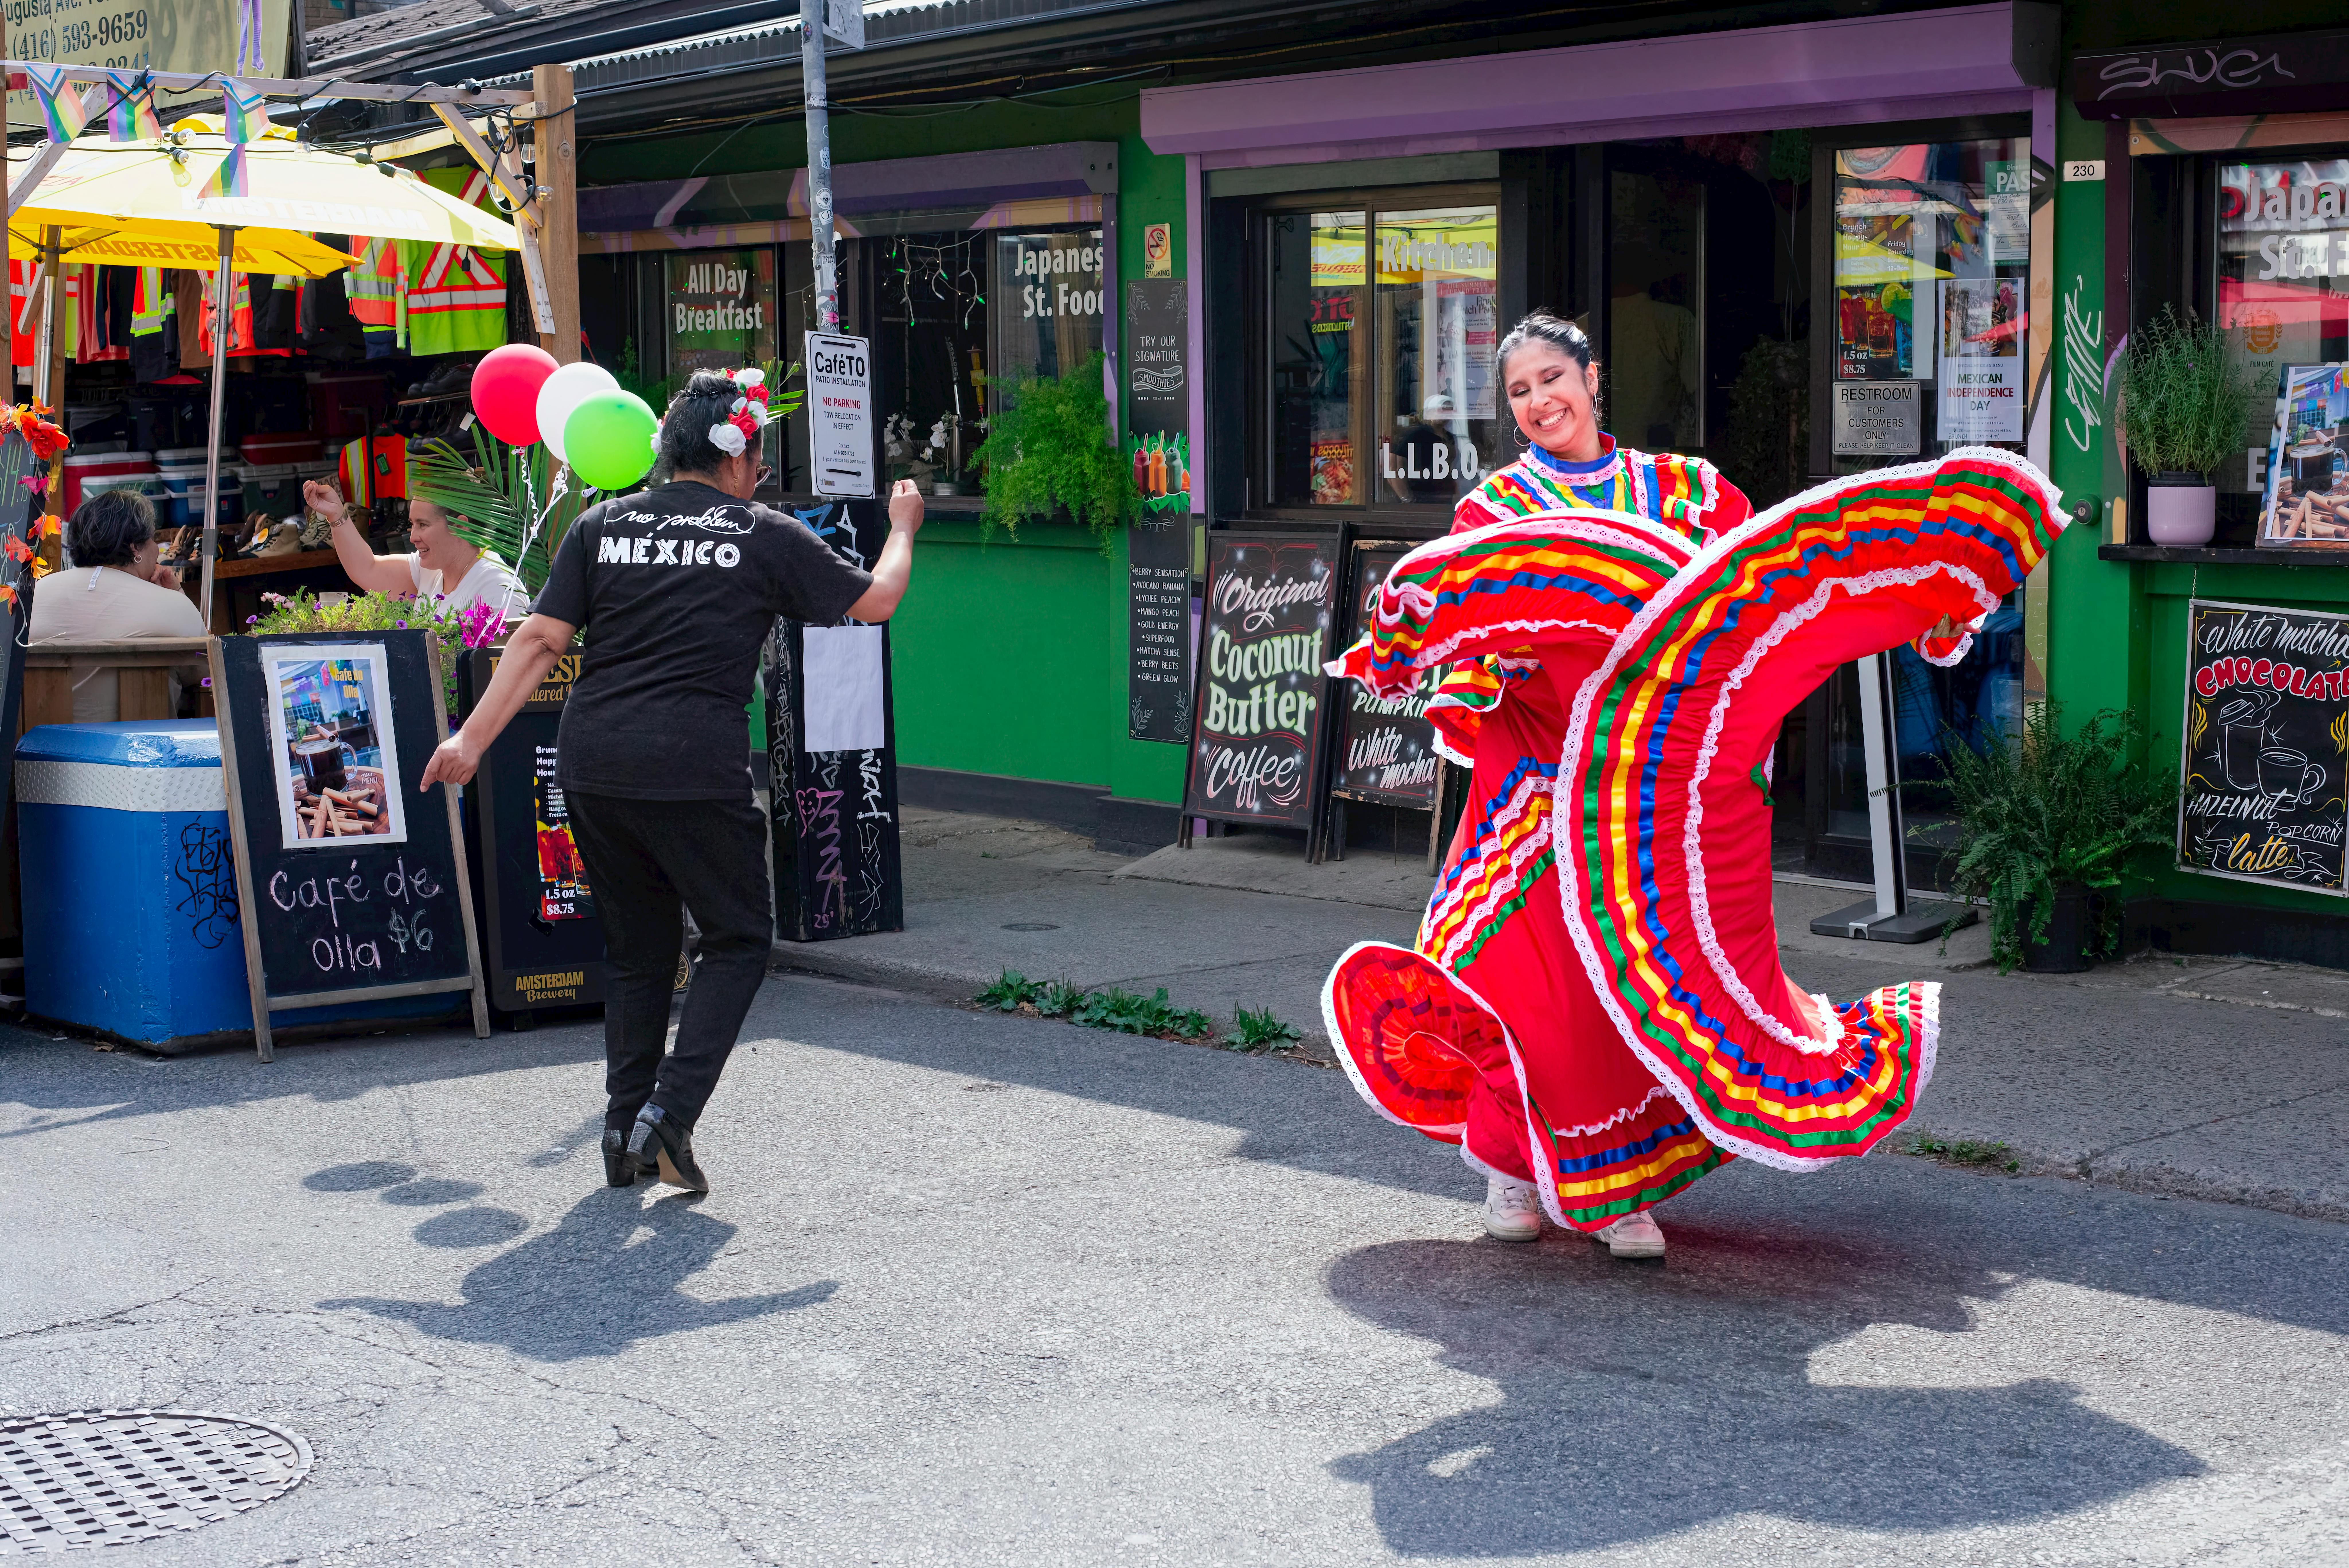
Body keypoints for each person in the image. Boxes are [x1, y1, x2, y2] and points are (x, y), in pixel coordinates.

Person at [1323, 311, 2061, 1260]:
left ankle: (1616, 1189)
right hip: (1535, 778)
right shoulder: (1491, 511)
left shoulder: (1684, 489)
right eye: (1520, 392)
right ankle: (1516, 1165)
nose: (1541, 401)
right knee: (1517, 971)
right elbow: (1477, 626)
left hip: (1654, 791)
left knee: (1639, 983)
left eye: (1555, 378)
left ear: (1593, 378)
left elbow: (1751, 605)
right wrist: (1470, 660)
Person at [420, 368, 924, 1195]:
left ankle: (624, 1129)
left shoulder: (601, 524)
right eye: (757, 462)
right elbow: (877, 602)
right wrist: (902, 524)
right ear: (737, 457)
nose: (757, 477)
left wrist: (472, 740)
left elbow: (538, 640)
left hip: (593, 765)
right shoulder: (760, 532)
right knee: (737, 937)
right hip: (692, 767)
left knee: (638, 949)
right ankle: (670, 1113)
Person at [29, 488, 207, 721]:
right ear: (135, 548)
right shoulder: (172, 604)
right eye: (153, 539)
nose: (157, 549)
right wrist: (178, 594)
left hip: (38, 750)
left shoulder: (33, 597)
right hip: (144, 753)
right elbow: (207, 675)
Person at [303, 477, 527, 623]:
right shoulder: (431, 571)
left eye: (423, 525)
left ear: (460, 525)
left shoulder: (498, 588)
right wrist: (335, 515)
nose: (412, 537)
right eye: (412, 524)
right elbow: (366, 568)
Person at [1385, 394, 1461, 504]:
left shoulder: (1450, 437)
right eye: (1442, 410)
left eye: (1449, 410)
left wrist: (1457, 498)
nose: (1446, 414)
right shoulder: (1415, 435)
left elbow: (1451, 471)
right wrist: (1407, 499)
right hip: (1420, 499)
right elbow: (1393, 468)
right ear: (1429, 412)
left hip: (1444, 499)